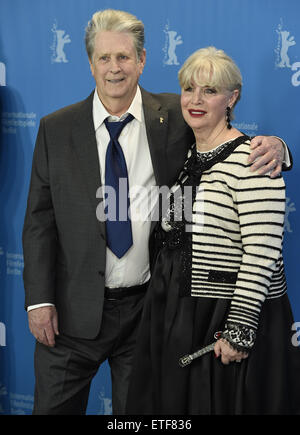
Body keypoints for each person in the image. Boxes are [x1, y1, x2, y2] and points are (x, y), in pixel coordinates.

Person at [22, 9, 290, 415]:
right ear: (90, 63)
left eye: (125, 57)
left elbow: (229, 140)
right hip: (71, 316)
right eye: (104, 58)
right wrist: (39, 300)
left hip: (148, 315)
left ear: (142, 61)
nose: (115, 69)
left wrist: (279, 148)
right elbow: (39, 221)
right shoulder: (55, 128)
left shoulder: (176, 116)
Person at [126, 46, 300, 415]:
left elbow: (262, 254)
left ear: (232, 97)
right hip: (176, 310)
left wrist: (238, 329)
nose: (196, 99)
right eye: (189, 89)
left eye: (210, 90)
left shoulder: (255, 160)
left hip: (222, 314)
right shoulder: (187, 156)